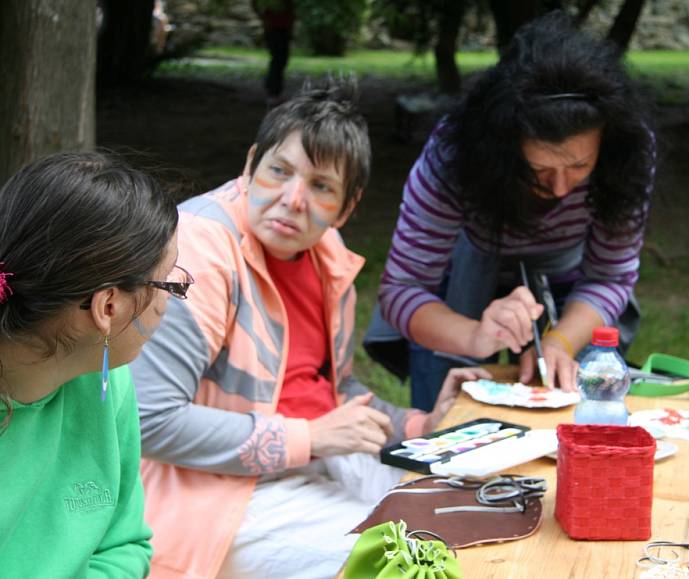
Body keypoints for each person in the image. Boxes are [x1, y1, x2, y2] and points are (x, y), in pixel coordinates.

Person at [130, 82, 490, 579]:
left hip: (320, 457)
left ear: (346, 206)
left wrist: (421, 427)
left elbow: (332, 391)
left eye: (321, 186)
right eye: (279, 171)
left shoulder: (325, 254)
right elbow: (148, 421)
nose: (293, 199)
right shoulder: (198, 252)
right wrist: (310, 436)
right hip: (217, 492)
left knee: (481, 517)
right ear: (252, 164)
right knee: (403, 562)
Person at [364, 10, 657, 410]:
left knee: (581, 407)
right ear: (503, 150)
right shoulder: (454, 155)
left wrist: (560, 339)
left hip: (569, 279)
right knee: (446, 419)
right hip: (464, 274)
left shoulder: (629, 151)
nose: (559, 188)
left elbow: (610, 275)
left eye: (579, 167)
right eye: (538, 171)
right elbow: (403, 289)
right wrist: (474, 337)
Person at [0, 152, 186, 577]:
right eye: (169, 282)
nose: (170, 299)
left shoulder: (106, 381)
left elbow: (124, 545)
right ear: (108, 306)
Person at [251, 0, 295, 103]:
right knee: (278, 59)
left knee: (281, 59)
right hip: (274, 28)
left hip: (282, 27)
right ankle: (272, 92)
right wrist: (264, 19)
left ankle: (273, 89)